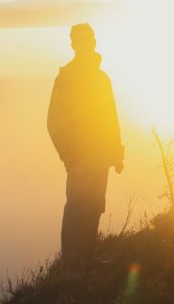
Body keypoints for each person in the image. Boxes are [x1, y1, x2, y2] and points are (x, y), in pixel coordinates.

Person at [47, 23, 124, 271]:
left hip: (101, 157)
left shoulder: (102, 78)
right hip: (80, 159)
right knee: (76, 210)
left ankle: (88, 260)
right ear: (73, 45)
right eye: (80, 40)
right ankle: (71, 269)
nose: (86, 43)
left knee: (94, 207)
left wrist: (116, 153)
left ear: (94, 41)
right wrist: (70, 157)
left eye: (89, 38)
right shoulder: (66, 78)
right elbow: (54, 122)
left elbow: (111, 118)